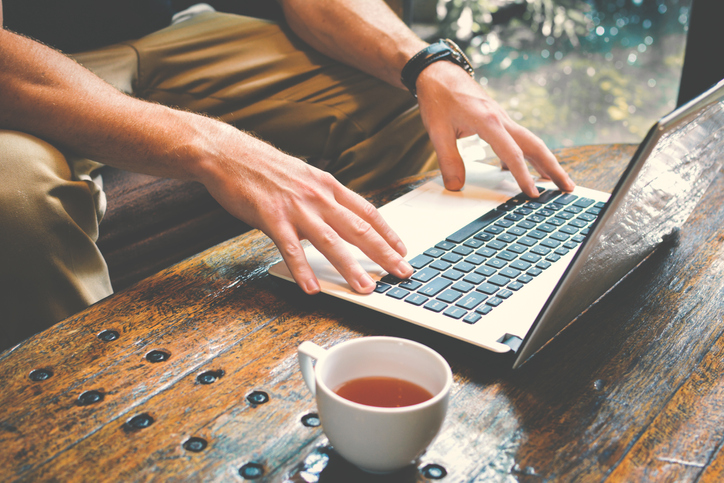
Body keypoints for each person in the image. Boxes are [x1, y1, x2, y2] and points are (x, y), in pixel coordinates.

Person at [0, 0, 574, 349]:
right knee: (16, 196)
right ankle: (87, 434)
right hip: (17, 59)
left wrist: (427, 63)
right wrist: (214, 148)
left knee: (401, 100)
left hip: (174, 33)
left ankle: (438, 316)